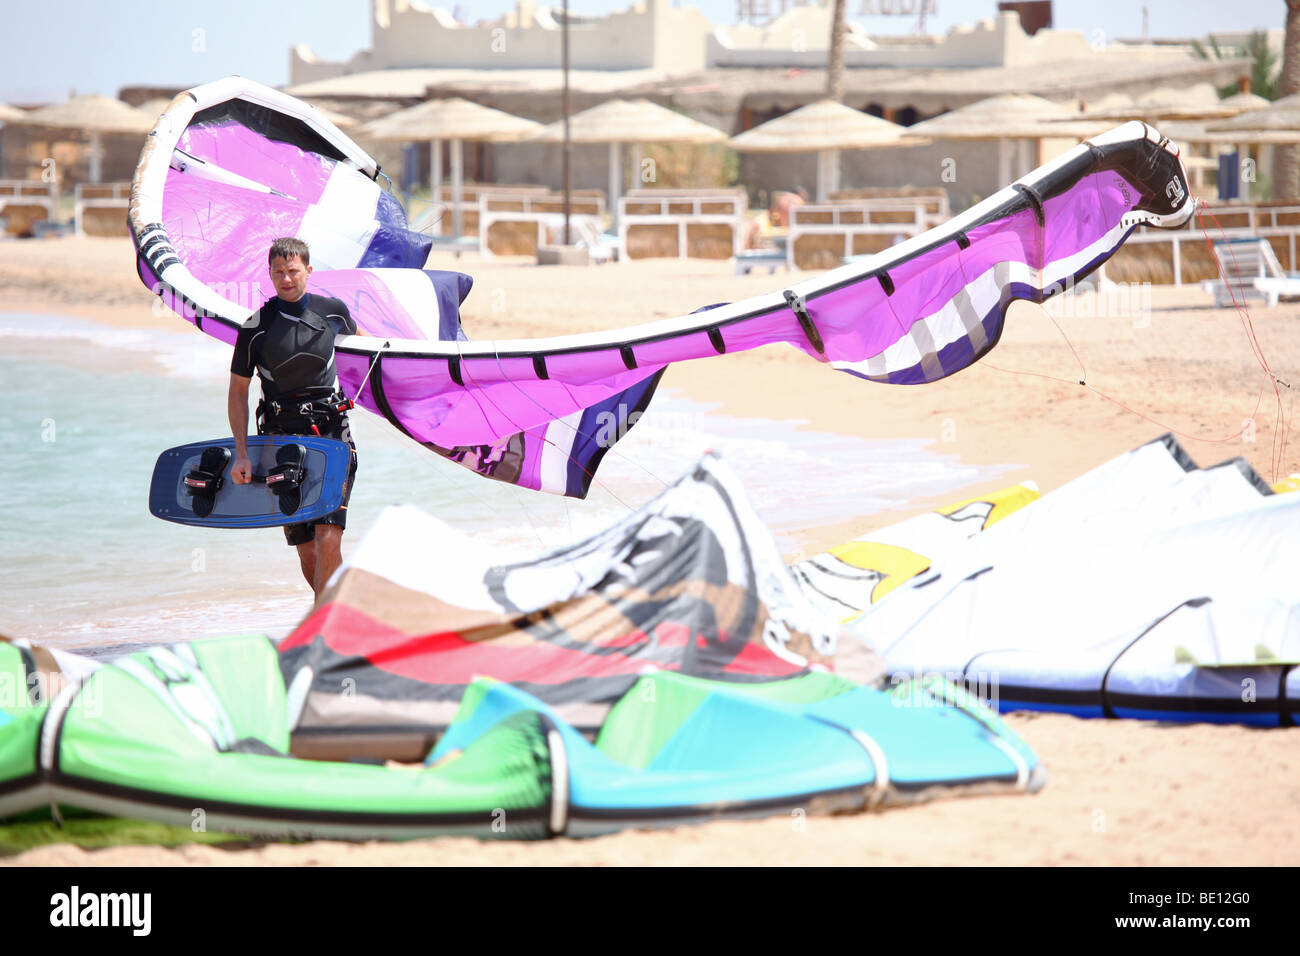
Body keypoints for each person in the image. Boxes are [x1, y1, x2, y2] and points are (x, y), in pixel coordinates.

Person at [228, 237, 359, 598]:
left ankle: (323, 626)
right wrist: (242, 453)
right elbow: (238, 392)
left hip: (332, 434)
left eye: (293, 271)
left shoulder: (333, 312)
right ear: (270, 274)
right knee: (308, 547)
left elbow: (372, 356)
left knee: (329, 534)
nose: (286, 279)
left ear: (309, 271)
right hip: (281, 442)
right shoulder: (256, 326)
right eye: (278, 272)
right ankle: (331, 612)